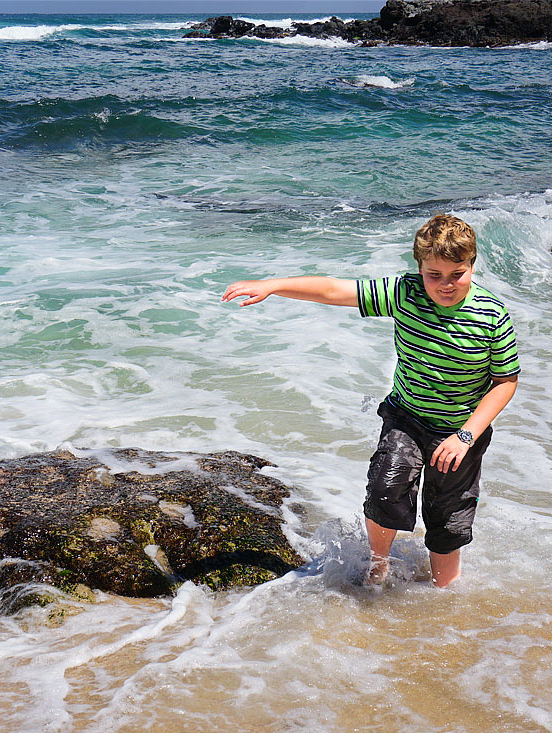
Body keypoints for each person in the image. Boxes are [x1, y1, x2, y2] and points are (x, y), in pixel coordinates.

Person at [221, 215, 519, 587]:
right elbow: (333, 291)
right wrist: (273, 285)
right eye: (433, 274)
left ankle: (446, 595)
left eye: (456, 274)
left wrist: (466, 435)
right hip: (406, 417)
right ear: (419, 268)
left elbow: (505, 382)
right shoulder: (405, 293)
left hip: (460, 431)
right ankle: (379, 566)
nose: (445, 285)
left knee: (448, 520)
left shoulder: (491, 315)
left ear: (472, 265)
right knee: (384, 490)